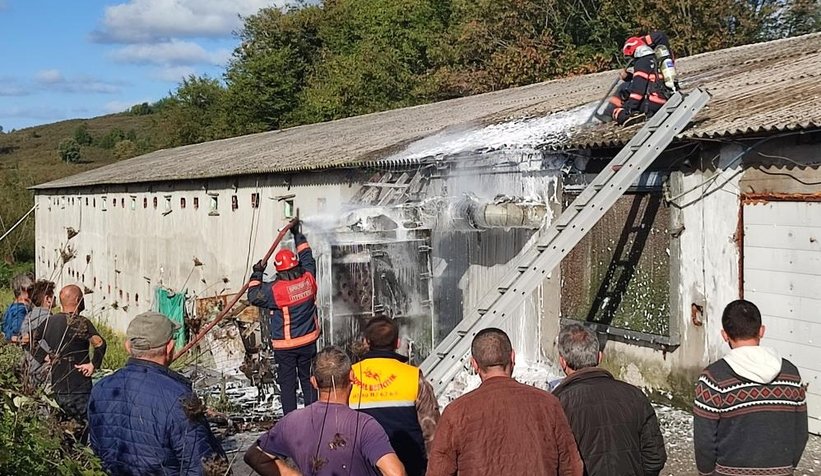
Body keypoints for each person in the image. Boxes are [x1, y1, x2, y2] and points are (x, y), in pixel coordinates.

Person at [427, 328, 583, 476]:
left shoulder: (456, 412)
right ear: (513, 357)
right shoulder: (548, 404)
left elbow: (439, 470)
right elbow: (572, 467)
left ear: (474, 364)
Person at [88, 311, 226, 475]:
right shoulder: (179, 398)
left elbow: (97, 454)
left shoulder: (100, 389)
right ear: (170, 347)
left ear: (127, 347)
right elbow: (200, 466)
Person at [244, 346, 406, 476]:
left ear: (313, 382)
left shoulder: (291, 422)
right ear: (352, 376)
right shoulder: (364, 425)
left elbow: (255, 456)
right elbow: (395, 472)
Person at [694, 300, 808, 476]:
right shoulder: (791, 374)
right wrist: (788, 467)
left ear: (725, 335)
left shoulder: (713, 378)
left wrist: (706, 472)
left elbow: (704, 441)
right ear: (761, 331)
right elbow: (801, 433)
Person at [552, 323, 667, 476]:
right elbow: (655, 457)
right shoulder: (634, 396)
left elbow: (550, 461)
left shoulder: (556, 404)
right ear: (600, 356)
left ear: (563, 362)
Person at [349, 316, 440, 476]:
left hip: (362, 468)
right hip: (410, 467)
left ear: (366, 342)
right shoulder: (413, 377)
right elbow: (431, 430)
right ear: (397, 343)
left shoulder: (349, 377)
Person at [248, 219, 320, 415]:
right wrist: (298, 235)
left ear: (279, 270)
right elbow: (308, 258)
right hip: (309, 343)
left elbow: (253, 295)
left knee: (288, 385)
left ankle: (291, 422)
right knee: (309, 380)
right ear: (295, 265)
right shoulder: (308, 280)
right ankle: (313, 417)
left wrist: (257, 274)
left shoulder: (275, 291)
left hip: (286, 347)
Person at [32, 284, 106, 423]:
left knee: (60, 426)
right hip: (79, 385)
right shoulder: (81, 322)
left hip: (57, 384)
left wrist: (43, 356)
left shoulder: (49, 321)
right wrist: (93, 365)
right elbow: (100, 343)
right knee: (82, 426)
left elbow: (29, 339)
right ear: (78, 299)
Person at [606, 31, 676, 126]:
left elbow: (638, 89)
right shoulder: (656, 58)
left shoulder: (642, 62)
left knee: (617, 111)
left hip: (652, 103)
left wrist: (629, 109)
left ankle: (615, 115)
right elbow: (649, 79)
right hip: (664, 99)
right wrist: (629, 77)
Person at [19, 279, 56, 387]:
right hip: (45, 372)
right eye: (54, 296)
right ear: (48, 299)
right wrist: (46, 356)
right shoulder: (49, 319)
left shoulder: (28, 318)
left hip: (29, 372)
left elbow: (26, 342)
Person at [1, 272, 33, 342]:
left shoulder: (11, 307)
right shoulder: (21, 310)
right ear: (25, 289)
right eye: (31, 289)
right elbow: (17, 333)